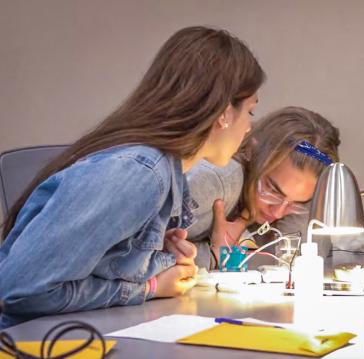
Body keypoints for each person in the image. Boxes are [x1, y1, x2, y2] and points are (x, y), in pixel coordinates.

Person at [0, 26, 265, 329]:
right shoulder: (140, 173)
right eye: (250, 112)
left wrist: (151, 257)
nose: (248, 128)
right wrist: (148, 288)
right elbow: (20, 292)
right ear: (224, 112)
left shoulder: (165, 172)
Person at [184, 106, 341, 270]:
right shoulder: (215, 182)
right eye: (273, 190)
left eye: (297, 202)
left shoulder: (293, 204)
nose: (278, 212)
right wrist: (212, 256)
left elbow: (301, 266)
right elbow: (154, 254)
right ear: (252, 151)